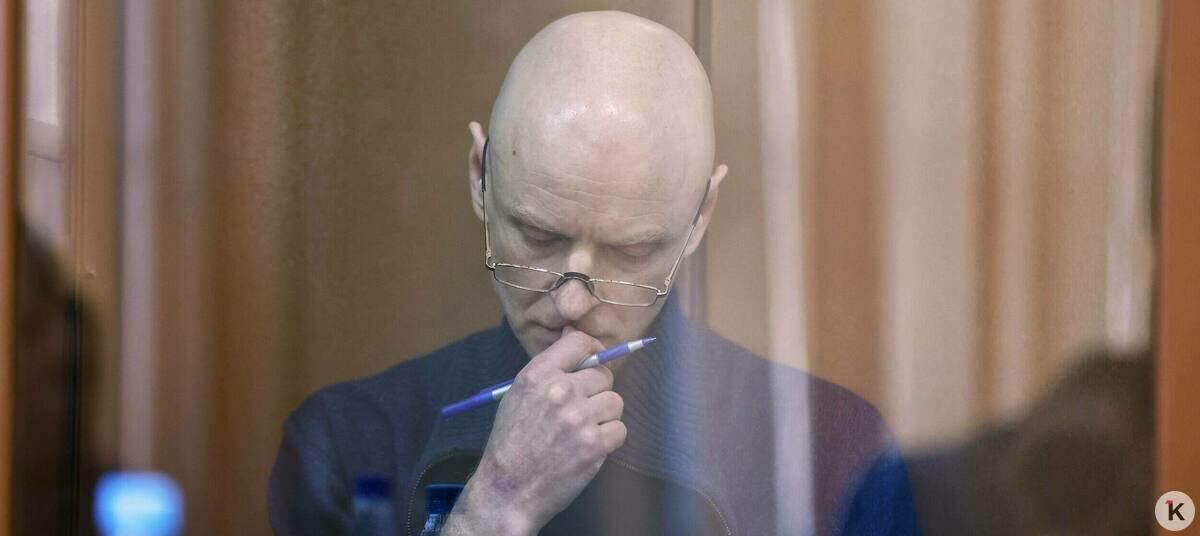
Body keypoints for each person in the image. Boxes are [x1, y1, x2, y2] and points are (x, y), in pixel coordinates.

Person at [269, 11, 919, 535]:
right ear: (479, 180)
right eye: (539, 237)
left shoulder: (832, 451)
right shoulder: (347, 442)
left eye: (630, 252)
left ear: (700, 217)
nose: (573, 304)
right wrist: (494, 508)